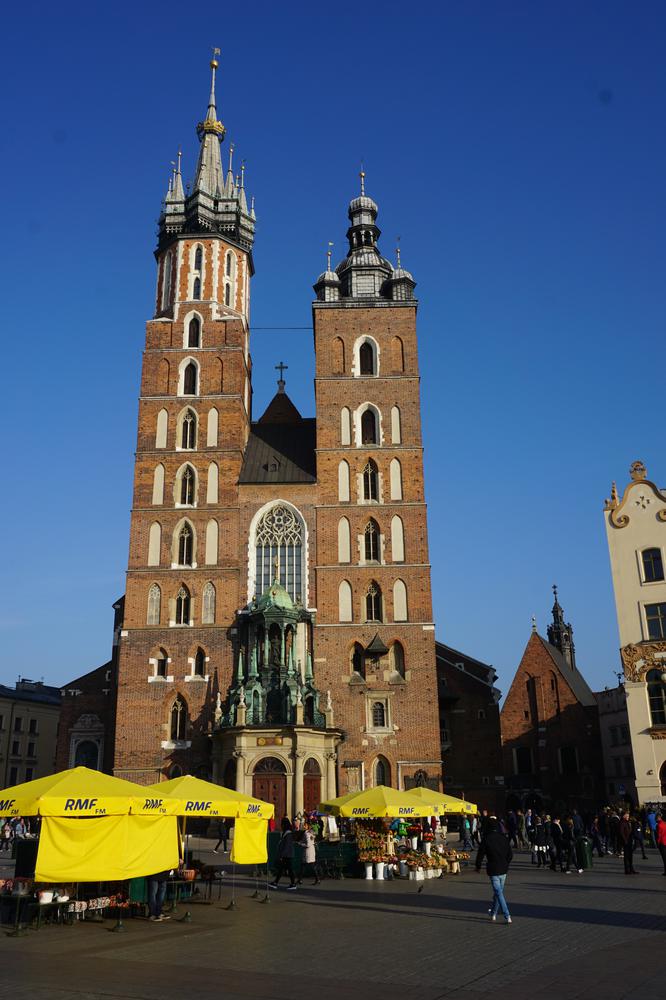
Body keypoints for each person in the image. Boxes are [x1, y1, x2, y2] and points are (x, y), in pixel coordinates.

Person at [475, 818, 513, 923]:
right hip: (503, 868)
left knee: (499, 893)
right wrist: (506, 863)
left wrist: (478, 866)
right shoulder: (504, 838)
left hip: (493, 868)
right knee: (498, 892)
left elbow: (480, 855)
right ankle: (493, 914)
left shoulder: (486, 839)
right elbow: (510, 854)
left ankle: (507, 915)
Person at [269, 818, 297, 890]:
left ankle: (292, 884)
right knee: (283, 869)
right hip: (288, 854)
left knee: (287, 869)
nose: (281, 825)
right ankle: (276, 882)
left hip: (287, 855)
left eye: (282, 824)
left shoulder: (288, 833)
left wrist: (282, 855)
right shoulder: (287, 832)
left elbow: (286, 845)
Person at [619, 810, 637, 874]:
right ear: (623, 816)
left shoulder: (627, 822)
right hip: (626, 841)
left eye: (628, 815)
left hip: (629, 840)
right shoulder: (622, 822)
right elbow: (621, 832)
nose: (628, 816)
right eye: (627, 815)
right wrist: (625, 840)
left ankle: (631, 869)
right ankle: (627, 870)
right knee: (626, 856)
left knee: (630, 855)